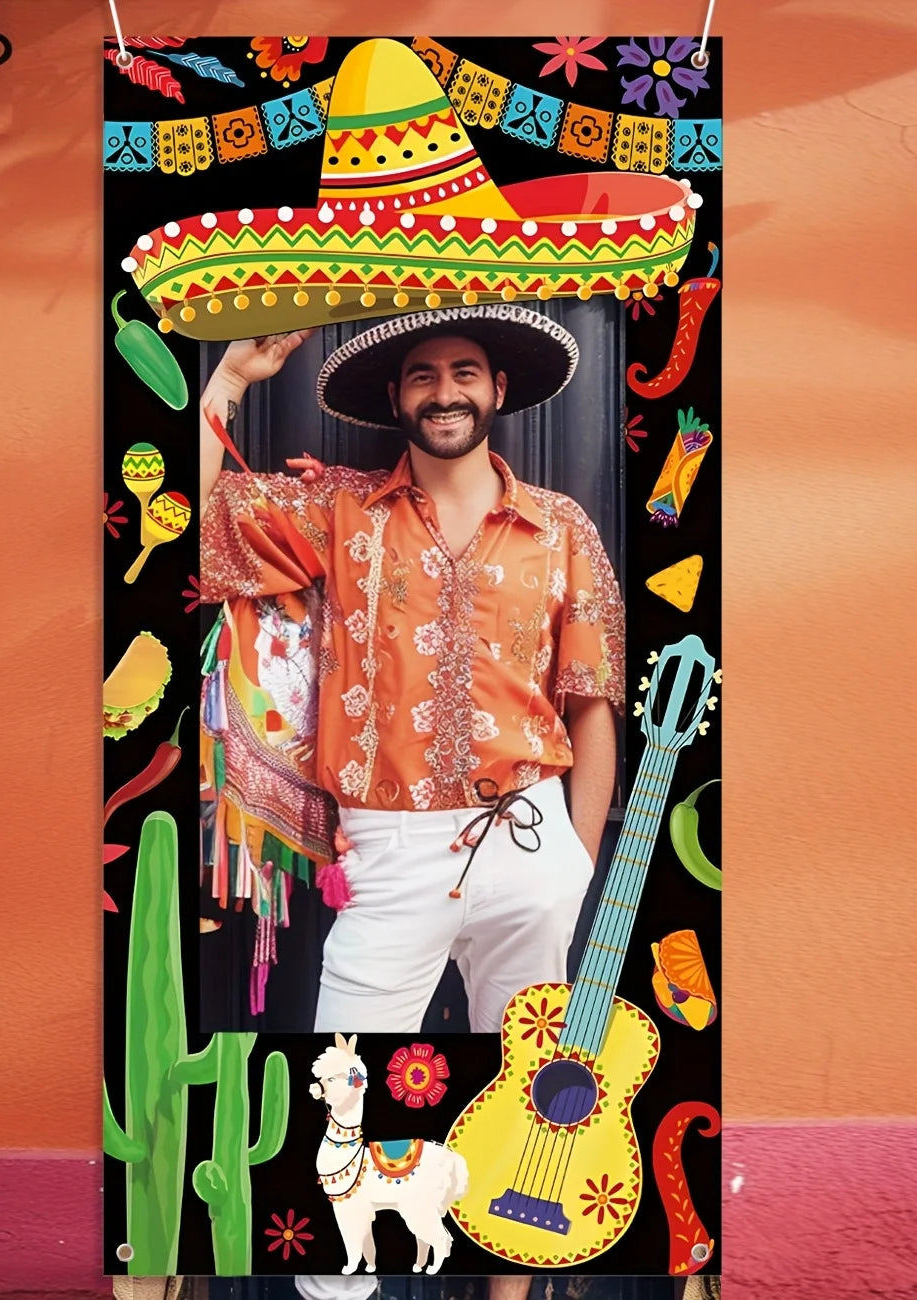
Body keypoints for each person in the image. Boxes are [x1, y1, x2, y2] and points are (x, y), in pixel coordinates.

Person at [199, 305, 627, 1300]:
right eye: (424, 375)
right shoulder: (340, 512)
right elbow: (205, 527)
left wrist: (577, 858)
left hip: (532, 834)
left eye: (465, 371)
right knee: (344, 1097)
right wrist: (227, 386)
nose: (446, 391)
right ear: (396, 397)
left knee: (528, 1096)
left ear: (497, 390)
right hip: (390, 850)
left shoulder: (562, 527)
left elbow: (592, 700)